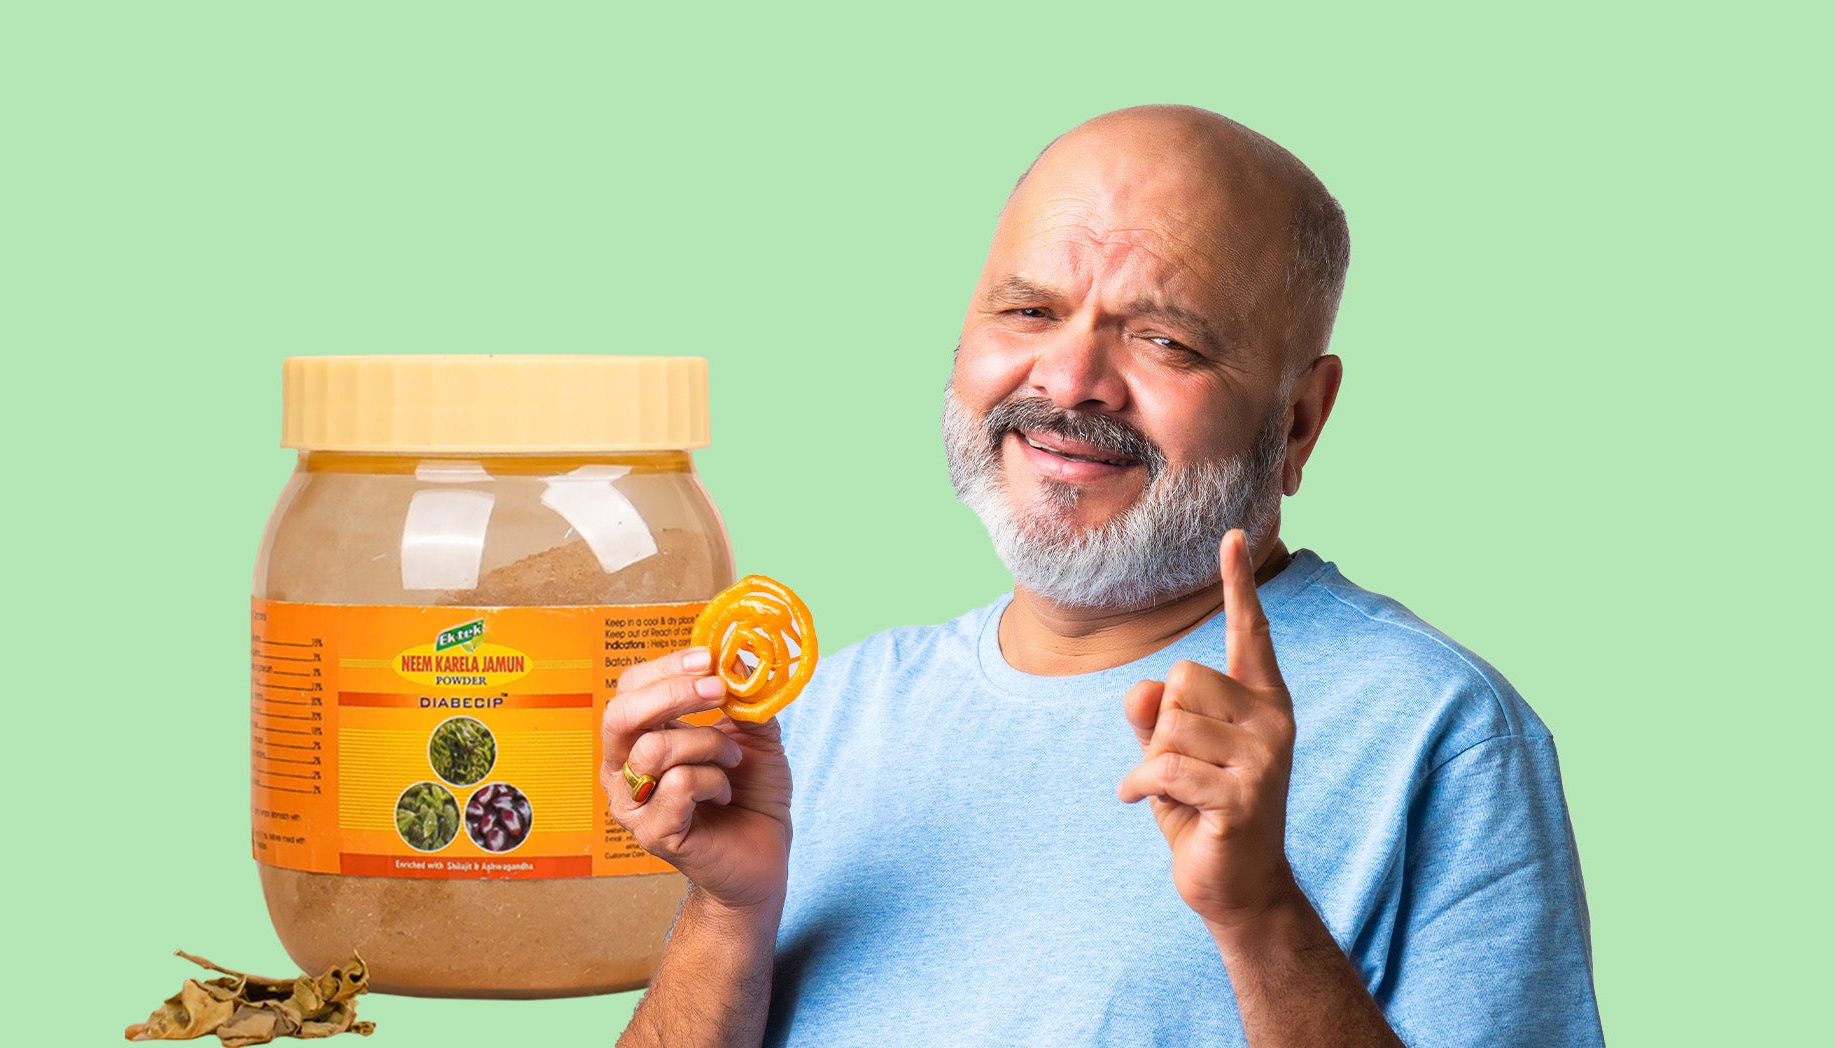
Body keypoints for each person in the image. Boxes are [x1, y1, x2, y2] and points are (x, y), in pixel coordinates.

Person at [600, 105, 1604, 1047]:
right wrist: (726, 916)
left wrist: (1261, 917)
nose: (1070, 380)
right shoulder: (817, 721)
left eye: (1166, 339)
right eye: (1029, 309)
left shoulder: (1437, 732)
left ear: (1299, 419)